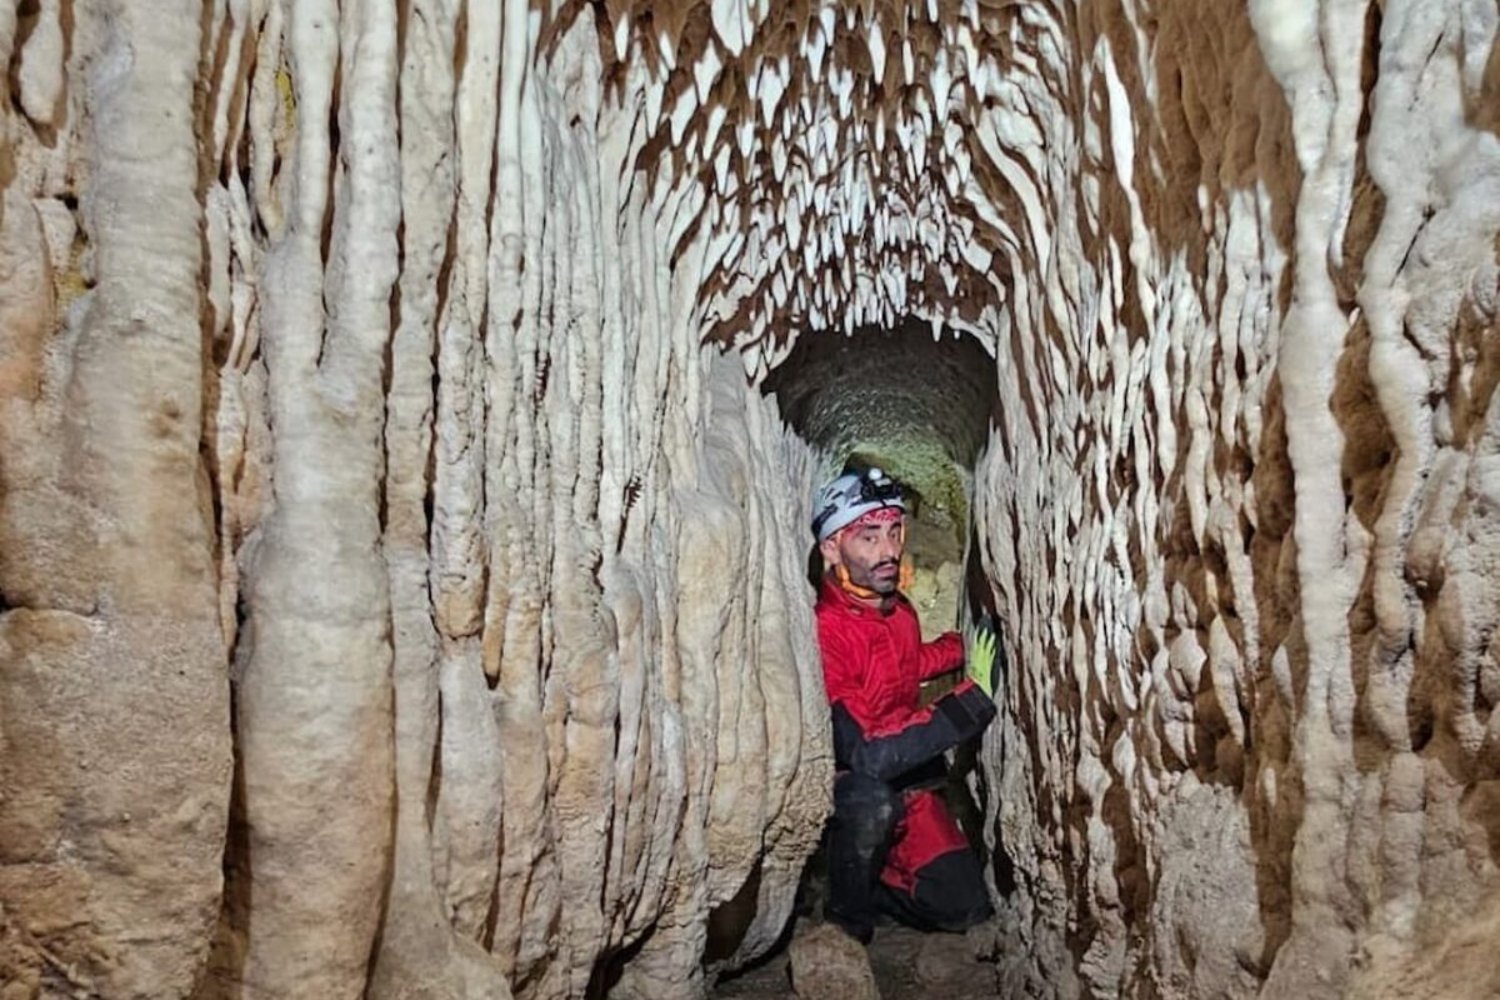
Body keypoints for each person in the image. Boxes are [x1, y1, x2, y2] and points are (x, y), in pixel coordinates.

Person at [810, 466, 1000, 945]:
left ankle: (874, 885)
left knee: (965, 904)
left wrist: (964, 646)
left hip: (908, 778)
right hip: (851, 781)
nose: (889, 551)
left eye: (894, 532)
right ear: (832, 549)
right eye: (868, 538)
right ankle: (845, 921)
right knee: (871, 803)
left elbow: (908, 663)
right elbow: (868, 754)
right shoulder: (827, 631)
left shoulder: (895, 608)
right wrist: (969, 702)